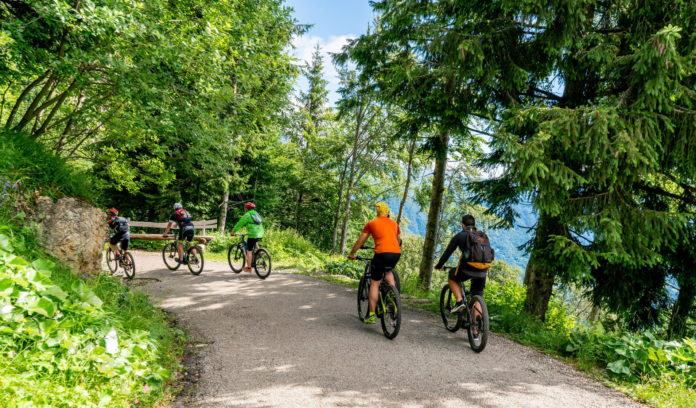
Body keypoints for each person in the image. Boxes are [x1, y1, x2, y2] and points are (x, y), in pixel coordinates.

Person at [347, 202, 401, 324]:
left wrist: (352, 253)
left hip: (381, 253)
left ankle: (371, 315)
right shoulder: (394, 224)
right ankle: (393, 295)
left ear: (377, 212)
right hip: (396, 253)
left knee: (375, 283)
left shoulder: (372, 223)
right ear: (387, 212)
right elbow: (398, 240)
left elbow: (361, 240)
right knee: (388, 271)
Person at [434, 214, 493, 313]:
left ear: (463, 225)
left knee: (452, 275)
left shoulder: (460, 236)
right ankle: (477, 325)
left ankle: (459, 301)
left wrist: (439, 265)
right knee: (477, 294)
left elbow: (448, 252)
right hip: (483, 269)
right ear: (475, 224)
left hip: (467, 268)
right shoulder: (483, 236)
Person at [231, 202, 264, 273]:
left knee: (249, 250)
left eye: (245, 208)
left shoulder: (247, 215)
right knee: (255, 242)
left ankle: (249, 268)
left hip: (252, 234)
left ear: (246, 208)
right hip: (260, 233)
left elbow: (240, 223)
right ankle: (260, 252)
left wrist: (233, 231)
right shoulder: (256, 214)